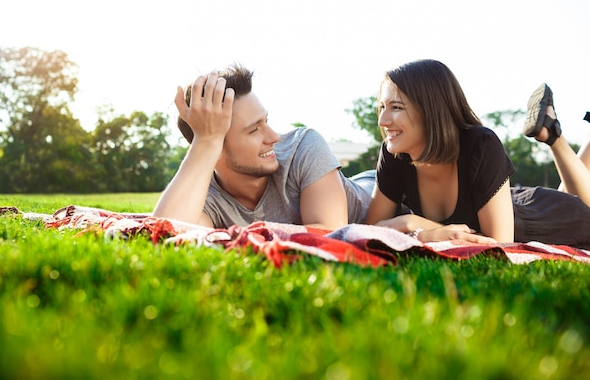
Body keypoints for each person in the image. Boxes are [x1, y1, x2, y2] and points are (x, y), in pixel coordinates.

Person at [365, 59, 590, 249]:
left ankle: (553, 136)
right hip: (509, 201)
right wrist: (426, 232)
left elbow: (500, 246)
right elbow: (369, 231)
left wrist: (415, 225)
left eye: (396, 107)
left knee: (582, 206)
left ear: (430, 110)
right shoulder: (395, 152)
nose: (382, 121)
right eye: (382, 107)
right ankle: (550, 131)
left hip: (551, 217)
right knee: (575, 193)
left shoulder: (481, 145)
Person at [153, 64, 373, 230]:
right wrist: (205, 142)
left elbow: (330, 234)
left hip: (381, 191)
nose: (274, 137)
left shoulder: (303, 147)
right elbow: (167, 235)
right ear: (214, 147)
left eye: (265, 121)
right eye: (254, 130)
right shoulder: (202, 193)